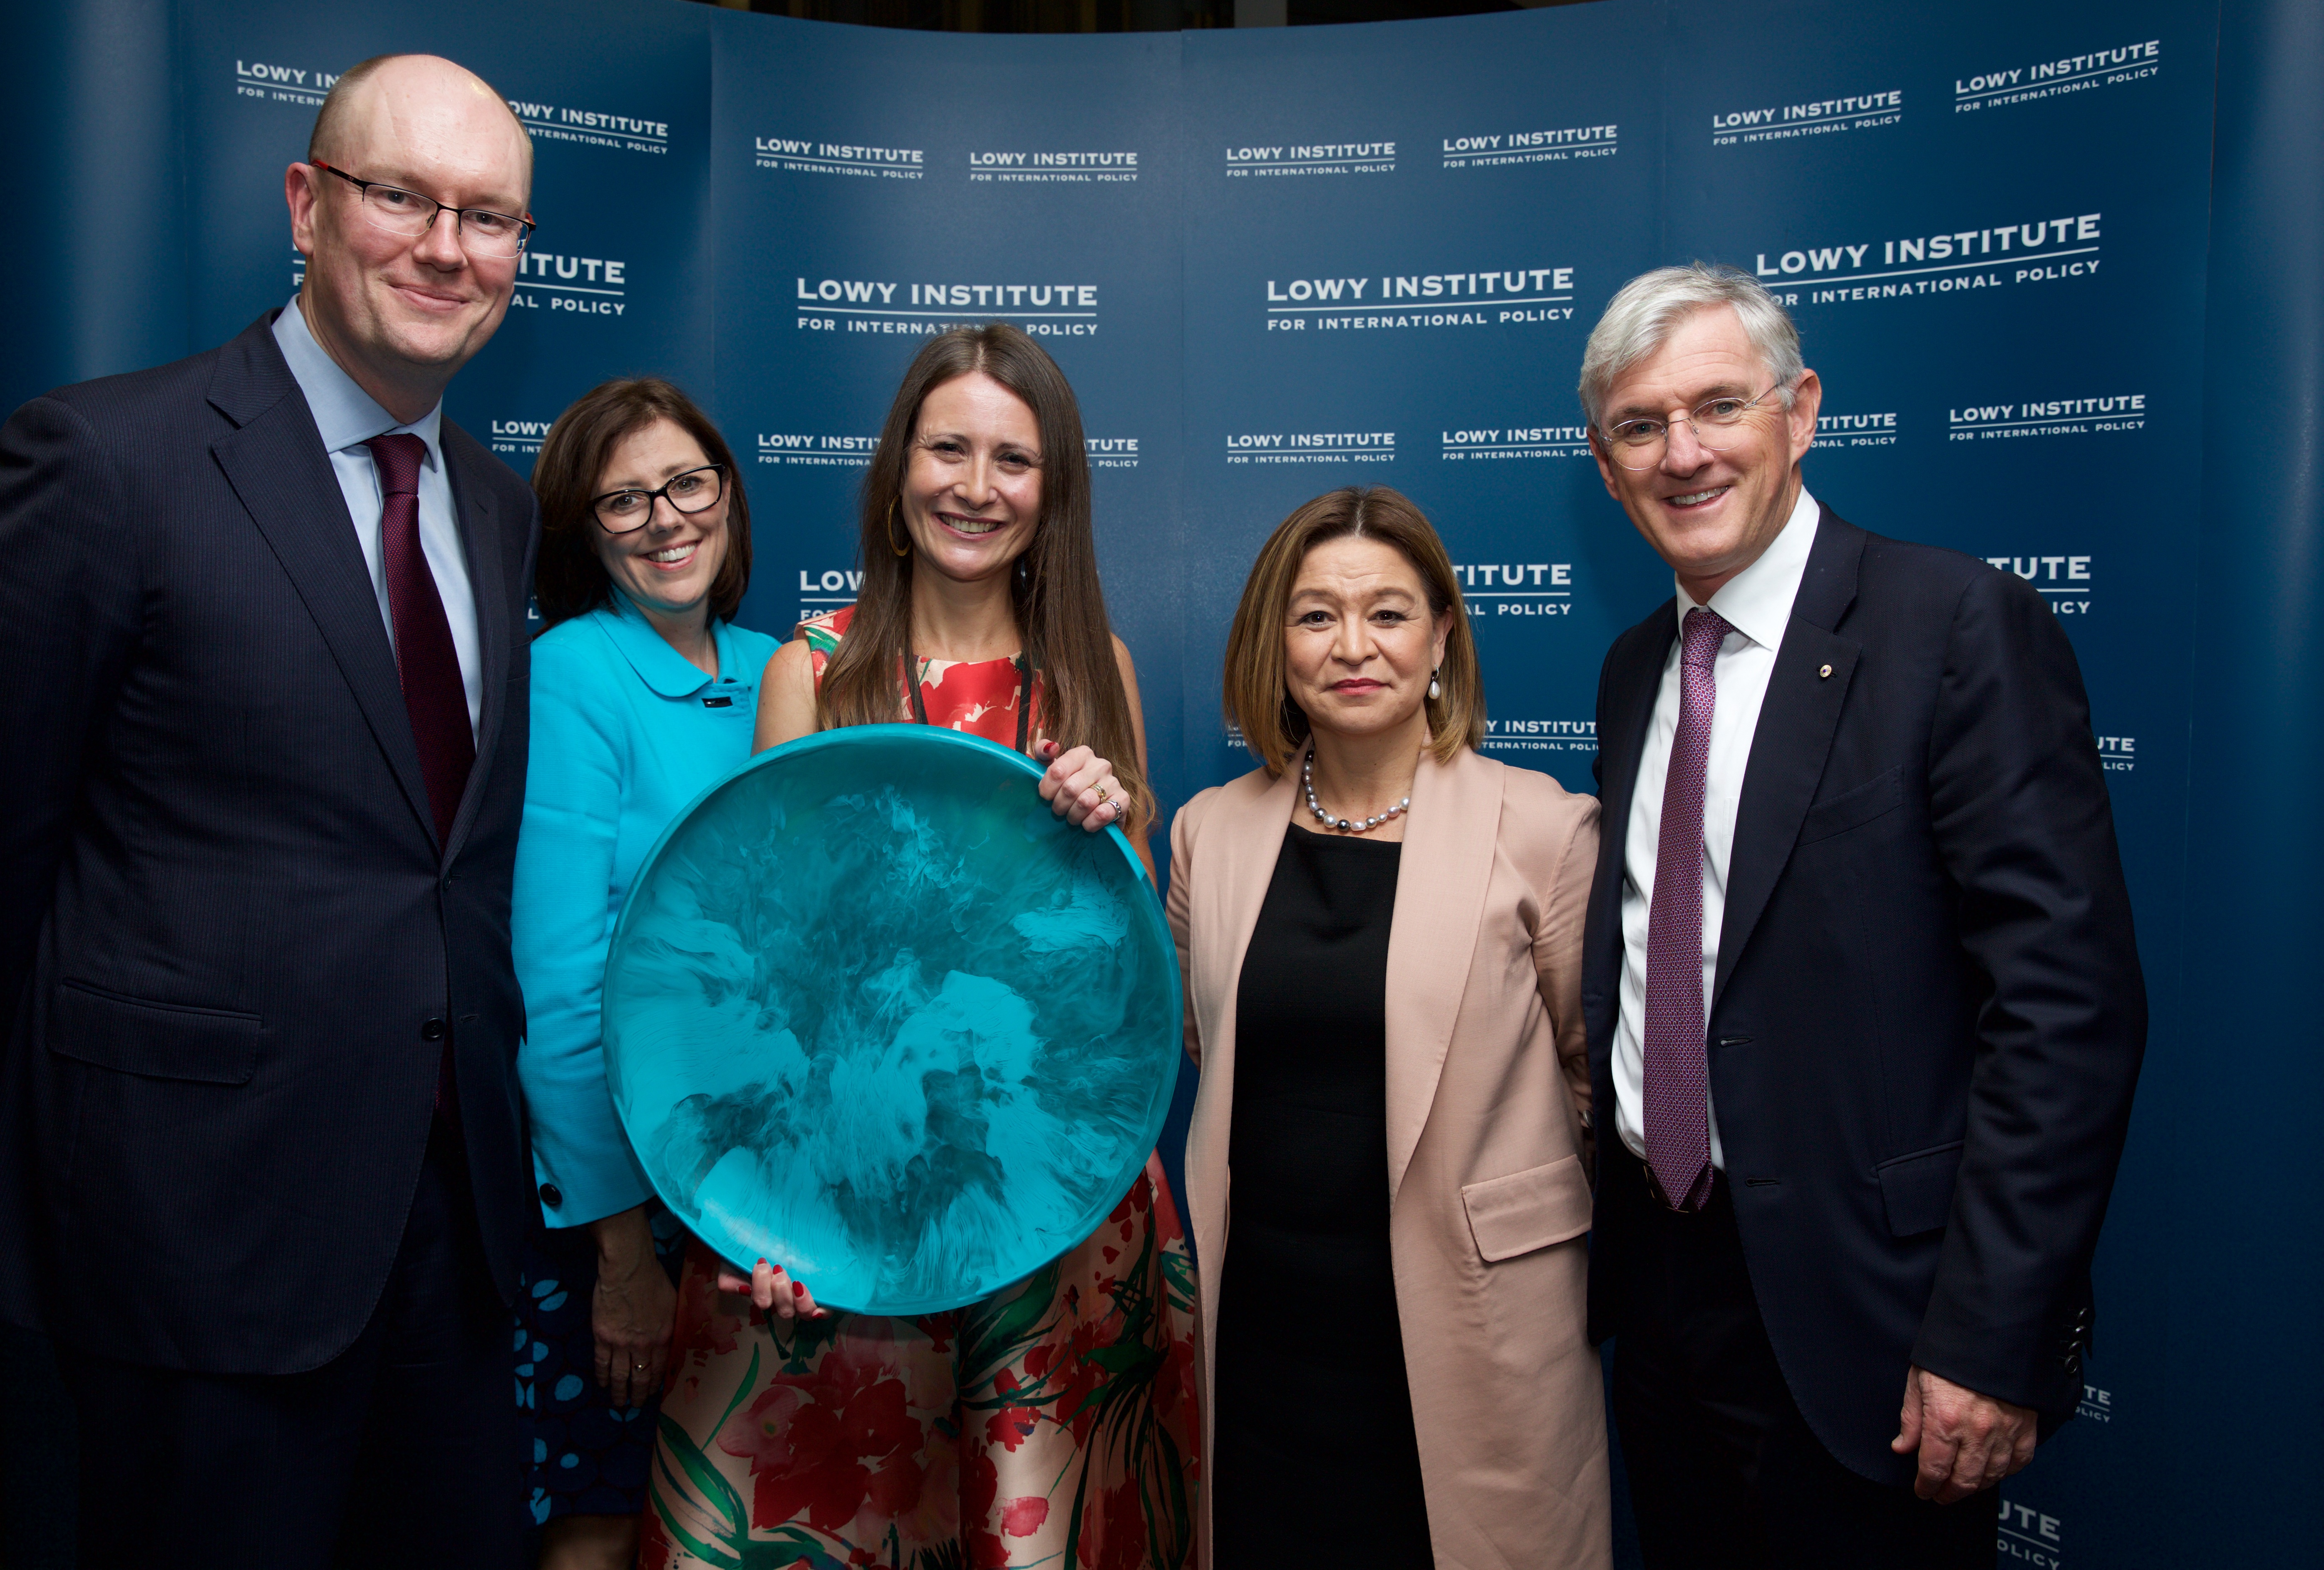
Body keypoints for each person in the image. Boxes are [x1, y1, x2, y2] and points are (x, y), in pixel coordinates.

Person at [0, 55, 541, 1565]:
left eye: (488, 217)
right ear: (306, 206)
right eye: (401, 198)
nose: (446, 249)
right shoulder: (105, 461)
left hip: (451, 1234)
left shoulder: (496, 506)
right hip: (185, 1241)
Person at [1575, 263, 2146, 1567]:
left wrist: (1990, 1340)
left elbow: (2065, 1014)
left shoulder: (1954, 625)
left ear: (1802, 411)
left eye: (1720, 405)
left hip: (1878, 1331)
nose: (1683, 453)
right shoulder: (1633, 668)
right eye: (1640, 426)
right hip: (1662, 1300)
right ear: (1604, 468)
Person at [640, 323, 1198, 1570]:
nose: (975, 487)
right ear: (899, 466)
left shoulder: (1093, 671)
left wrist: (1112, 826)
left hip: (1051, 1205)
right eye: (948, 449)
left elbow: (1117, 987)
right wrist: (769, 1215)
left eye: (1014, 459)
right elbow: (769, 987)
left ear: (1053, 491)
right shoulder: (812, 673)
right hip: (854, 1197)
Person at [1168, 487, 1610, 1570]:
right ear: (1275, 643)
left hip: (1473, 1335)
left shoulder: (1544, 830)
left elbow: (1594, 1083)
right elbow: (1206, 1047)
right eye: (1317, 615)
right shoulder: (1207, 835)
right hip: (1265, 1339)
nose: (1354, 646)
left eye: (1390, 613)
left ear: (1443, 636)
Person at [510, 379, 778, 1564]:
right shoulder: (574, 670)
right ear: (585, 530)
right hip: (625, 1196)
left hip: (765, 1193)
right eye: (624, 500)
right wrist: (620, 1253)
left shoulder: (788, 670)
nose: (666, 518)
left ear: (727, 493)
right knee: (607, 1521)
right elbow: (557, 981)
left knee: (749, 1516)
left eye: (686, 483)